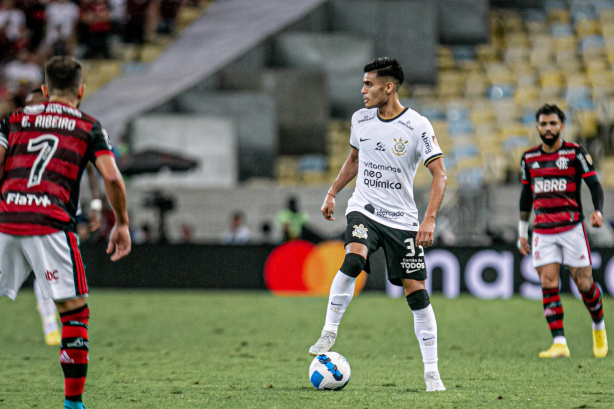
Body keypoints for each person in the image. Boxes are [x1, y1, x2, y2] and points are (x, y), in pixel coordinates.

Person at [308, 57, 447, 392]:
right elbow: (354, 159)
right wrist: (332, 193)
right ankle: (329, 331)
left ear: (389, 87)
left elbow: (440, 174)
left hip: (402, 221)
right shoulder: (361, 119)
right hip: (364, 209)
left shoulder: (417, 126)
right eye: (363, 83)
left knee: (416, 294)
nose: (363, 90)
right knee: (354, 260)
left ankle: (432, 373)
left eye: (369, 84)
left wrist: (428, 219)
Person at [0, 56, 131, 409]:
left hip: (6, 217)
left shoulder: (14, 119)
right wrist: (121, 223)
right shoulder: (88, 126)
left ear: (44, 90)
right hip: (50, 222)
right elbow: (112, 177)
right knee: (73, 311)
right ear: (81, 91)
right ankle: (73, 404)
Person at [518, 103, 607, 358]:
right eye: (543, 124)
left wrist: (598, 211)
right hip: (543, 231)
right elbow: (526, 196)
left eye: (553, 123)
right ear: (537, 127)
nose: (548, 128)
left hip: (572, 229)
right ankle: (559, 343)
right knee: (548, 283)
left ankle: (599, 327)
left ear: (562, 126)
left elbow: (595, 185)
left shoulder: (575, 153)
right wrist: (522, 231)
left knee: (585, 284)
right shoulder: (529, 158)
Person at [23, 88, 103, 346]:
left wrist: (97, 203)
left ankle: (60, 318)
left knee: (61, 272)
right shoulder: (20, 133)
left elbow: (91, 169)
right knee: (43, 270)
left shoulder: (67, 130)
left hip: (67, 209)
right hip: (35, 207)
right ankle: (50, 324)